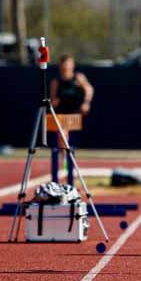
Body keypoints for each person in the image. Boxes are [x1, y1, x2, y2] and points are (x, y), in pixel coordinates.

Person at [47, 54, 93, 184]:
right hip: (61, 114)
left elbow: (89, 89)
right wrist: (53, 102)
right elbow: (53, 97)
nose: (66, 66)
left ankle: (67, 156)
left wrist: (86, 103)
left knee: (68, 138)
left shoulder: (78, 77)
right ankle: (64, 156)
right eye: (64, 64)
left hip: (73, 113)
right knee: (61, 136)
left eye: (69, 63)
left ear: (72, 65)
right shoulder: (56, 81)